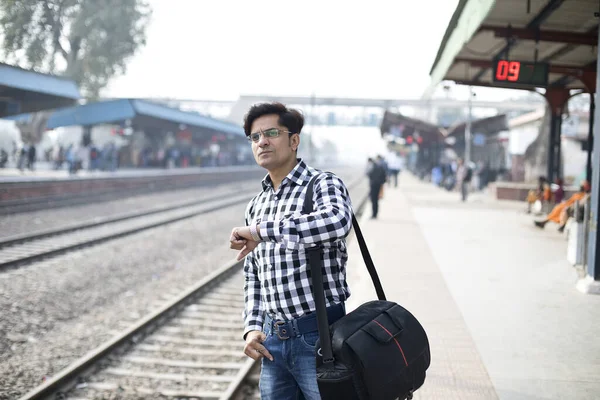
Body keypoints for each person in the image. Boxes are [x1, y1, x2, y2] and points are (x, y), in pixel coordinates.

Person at [229, 102, 353, 399]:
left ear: (294, 140)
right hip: (273, 341)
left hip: (320, 335)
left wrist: (261, 231)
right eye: (255, 137)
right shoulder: (256, 205)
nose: (263, 142)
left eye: (271, 133)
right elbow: (254, 276)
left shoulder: (323, 184)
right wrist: (253, 327)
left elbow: (336, 221)